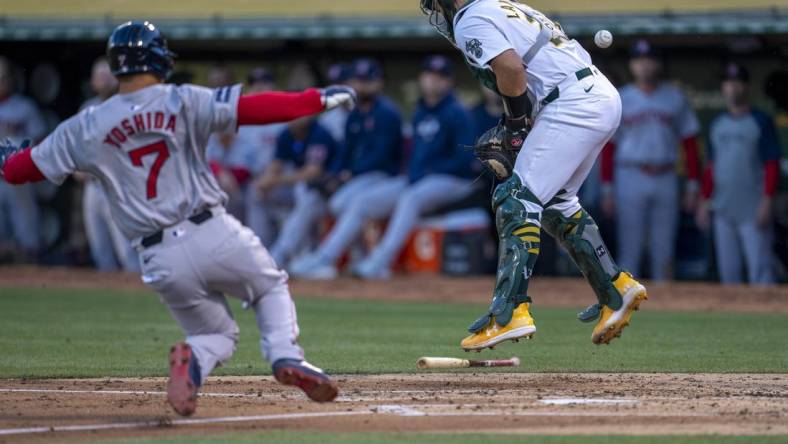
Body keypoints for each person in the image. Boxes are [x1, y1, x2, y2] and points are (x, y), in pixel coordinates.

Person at [0, 21, 356, 415]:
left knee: (212, 334)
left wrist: (8, 158)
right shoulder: (180, 99)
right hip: (210, 229)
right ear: (156, 58)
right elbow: (252, 109)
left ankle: (195, 363)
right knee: (269, 288)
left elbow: (19, 171)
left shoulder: (84, 125)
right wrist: (316, 99)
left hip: (157, 257)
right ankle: (286, 356)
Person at [420, 0, 647, 351]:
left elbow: (511, 70)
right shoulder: (501, 6)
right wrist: (525, 124)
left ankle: (509, 313)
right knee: (556, 202)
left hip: (572, 102)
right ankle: (616, 289)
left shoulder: (470, 17)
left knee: (514, 199)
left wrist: (515, 127)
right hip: (594, 95)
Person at [351, 55, 478, 279]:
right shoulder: (420, 111)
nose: (433, 81)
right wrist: (418, 174)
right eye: (429, 75)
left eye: (440, 77)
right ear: (422, 78)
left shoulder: (458, 112)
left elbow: (465, 160)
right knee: (365, 200)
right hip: (421, 179)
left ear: (449, 82)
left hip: (456, 180)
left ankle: (381, 262)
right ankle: (334, 258)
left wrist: (427, 172)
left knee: (411, 197)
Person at [289, 58, 403, 279]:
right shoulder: (355, 113)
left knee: (347, 203)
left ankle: (325, 258)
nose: (361, 86)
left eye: (367, 81)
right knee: (326, 199)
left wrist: (346, 176)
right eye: (357, 81)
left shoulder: (387, 113)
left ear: (378, 83)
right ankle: (347, 256)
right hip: (361, 178)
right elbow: (345, 154)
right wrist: (334, 175)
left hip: (387, 177)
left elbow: (380, 157)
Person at [600, 40, 702, 281]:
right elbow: (608, 146)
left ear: (658, 64)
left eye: (649, 60)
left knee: (663, 246)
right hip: (630, 174)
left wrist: (693, 185)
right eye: (638, 60)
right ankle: (626, 302)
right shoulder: (621, 97)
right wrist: (607, 189)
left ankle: (665, 306)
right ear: (632, 65)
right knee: (630, 246)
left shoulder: (674, 97)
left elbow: (690, 143)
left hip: (665, 175)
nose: (644, 65)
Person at [697, 63, 781, 285]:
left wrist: (767, 200)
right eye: (728, 83)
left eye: (737, 83)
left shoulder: (760, 121)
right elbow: (711, 166)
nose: (732, 88)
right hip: (723, 206)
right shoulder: (718, 123)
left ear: (746, 87)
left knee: (760, 272)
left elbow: (772, 163)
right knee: (728, 273)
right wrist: (705, 200)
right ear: (723, 87)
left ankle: (768, 318)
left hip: (753, 206)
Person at [78, 57, 139, 272]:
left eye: (108, 76)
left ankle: (138, 297)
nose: (103, 81)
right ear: (93, 82)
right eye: (99, 76)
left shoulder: (129, 106)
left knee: (127, 252)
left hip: (120, 186)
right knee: (100, 250)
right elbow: (77, 146)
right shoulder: (87, 109)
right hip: (93, 186)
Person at [259, 116, 338, 266]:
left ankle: (281, 254)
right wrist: (266, 179)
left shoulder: (320, 133)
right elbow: (277, 163)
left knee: (306, 200)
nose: (295, 117)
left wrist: (275, 180)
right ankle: (262, 248)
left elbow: (313, 172)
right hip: (301, 188)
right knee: (256, 194)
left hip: (327, 189)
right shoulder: (286, 133)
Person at [0, 56, 47, 261]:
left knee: (27, 233)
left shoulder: (24, 107)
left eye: (3, 77)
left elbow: (41, 140)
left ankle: (31, 277)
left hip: (18, 179)